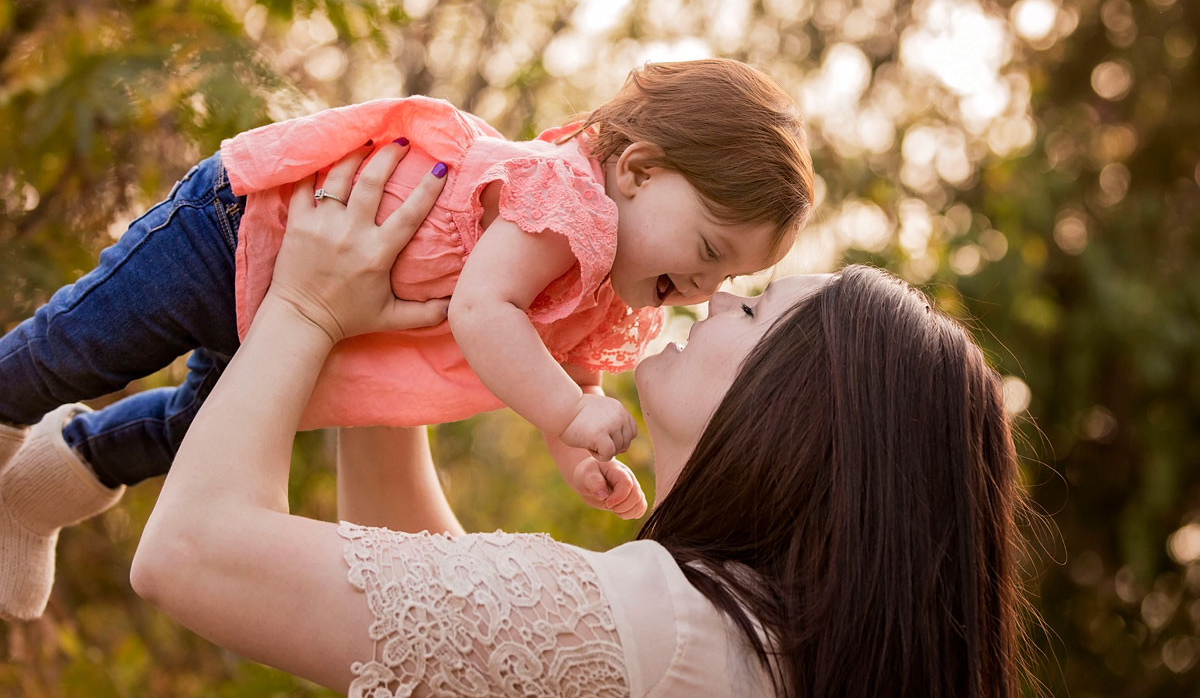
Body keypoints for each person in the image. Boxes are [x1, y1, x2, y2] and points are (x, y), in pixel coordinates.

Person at [126, 142, 1029, 696]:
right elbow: (428, 592)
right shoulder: (737, 647)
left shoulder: (678, 634)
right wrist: (432, 305)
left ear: (802, 421)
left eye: (750, 313)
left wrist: (309, 310)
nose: (713, 305)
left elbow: (194, 553)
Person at [0, 59, 813, 620]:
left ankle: (43, 488)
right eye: (709, 251)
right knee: (74, 347)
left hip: (303, 320)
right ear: (637, 169)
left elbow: (567, 357)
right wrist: (566, 414)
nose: (705, 291)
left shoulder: (606, 281)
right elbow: (484, 313)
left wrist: (573, 446)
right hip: (238, 235)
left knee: (190, 435)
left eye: (730, 277)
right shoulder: (565, 197)